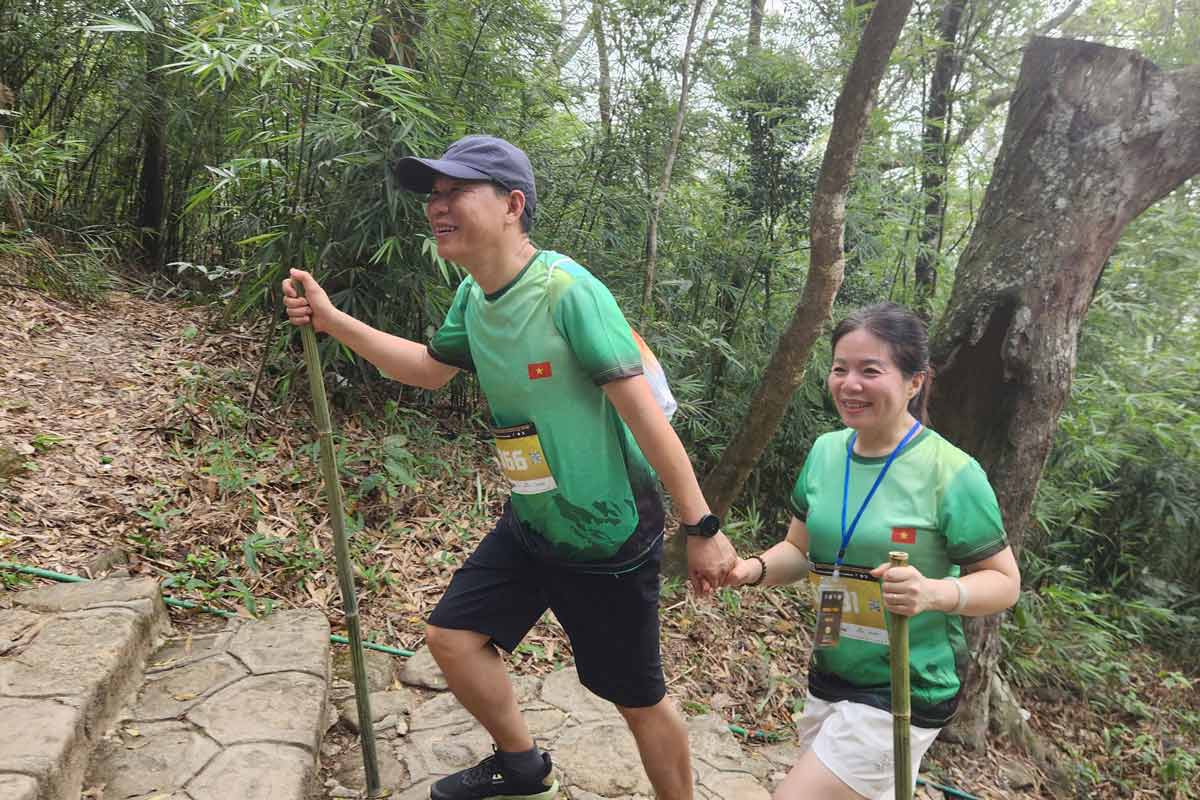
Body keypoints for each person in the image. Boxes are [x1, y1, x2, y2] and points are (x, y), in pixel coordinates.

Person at [283, 134, 736, 800]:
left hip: (606, 538)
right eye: (433, 195)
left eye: (456, 191)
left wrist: (701, 528)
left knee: (635, 698)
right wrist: (332, 320)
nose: (438, 206)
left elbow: (647, 420)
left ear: (512, 205)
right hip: (532, 520)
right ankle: (522, 768)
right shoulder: (474, 295)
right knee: (453, 638)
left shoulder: (568, 294)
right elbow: (429, 372)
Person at [723, 302, 1020, 800]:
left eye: (869, 370)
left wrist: (935, 593)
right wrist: (748, 570)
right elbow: (801, 550)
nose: (849, 384)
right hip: (832, 666)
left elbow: (1004, 581)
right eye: (840, 368)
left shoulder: (952, 472)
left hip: (905, 686)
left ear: (915, 380)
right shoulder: (825, 452)